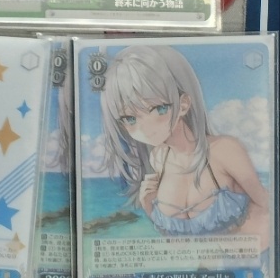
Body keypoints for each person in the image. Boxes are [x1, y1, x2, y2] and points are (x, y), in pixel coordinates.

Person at [97, 45, 270, 245]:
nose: (145, 128)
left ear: (184, 104)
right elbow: (174, 240)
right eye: (129, 118)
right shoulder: (159, 158)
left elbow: (267, 207)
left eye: (158, 109)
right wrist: (148, 205)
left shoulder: (224, 150)